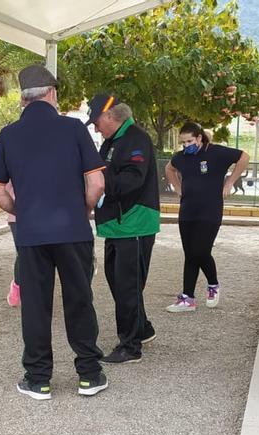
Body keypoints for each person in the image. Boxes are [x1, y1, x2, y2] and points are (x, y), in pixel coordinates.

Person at [0, 65, 108, 400]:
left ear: (23, 98)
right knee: (79, 300)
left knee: (35, 306)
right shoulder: (73, 129)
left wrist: (19, 211)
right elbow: (97, 182)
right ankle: (89, 375)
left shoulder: (8, 135)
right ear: (52, 93)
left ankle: (38, 379)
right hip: (73, 230)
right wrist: (83, 210)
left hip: (31, 234)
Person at [87, 94, 161, 365]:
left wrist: (99, 177)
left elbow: (132, 179)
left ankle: (130, 346)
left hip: (134, 222)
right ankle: (142, 328)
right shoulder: (113, 141)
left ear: (110, 116)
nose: (96, 128)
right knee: (118, 281)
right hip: (118, 225)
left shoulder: (135, 139)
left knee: (127, 285)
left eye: (96, 122)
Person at [162, 122, 248, 313]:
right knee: (189, 254)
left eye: (190, 141)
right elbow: (169, 168)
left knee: (200, 251)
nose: (187, 145)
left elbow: (243, 157)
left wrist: (229, 182)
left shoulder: (216, 152)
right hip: (187, 211)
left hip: (210, 211)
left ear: (199, 137)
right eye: (183, 142)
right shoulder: (182, 157)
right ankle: (187, 298)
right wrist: (177, 187)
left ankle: (213, 284)